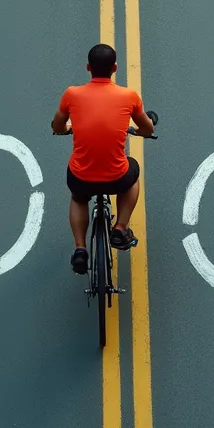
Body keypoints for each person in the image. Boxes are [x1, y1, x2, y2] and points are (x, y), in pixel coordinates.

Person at [52, 44, 155, 275]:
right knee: (133, 173)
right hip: (116, 177)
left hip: (81, 177)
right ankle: (120, 227)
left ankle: (80, 249)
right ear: (115, 68)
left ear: (88, 68)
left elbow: (57, 125)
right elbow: (147, 128)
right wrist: (143, 129)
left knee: (79, 198)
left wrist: (64, 129)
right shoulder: (129, 96)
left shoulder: (71, 94)